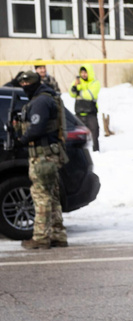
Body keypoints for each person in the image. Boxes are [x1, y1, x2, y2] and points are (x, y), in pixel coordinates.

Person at [12, 70, 67, 250]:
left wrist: (21, 140)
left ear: (35, 84)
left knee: (41, 196)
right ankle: (58, 235)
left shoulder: (41, 101)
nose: (25, 87)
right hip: (49, 155)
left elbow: (37, 128)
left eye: (28, 84)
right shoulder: (44, 98)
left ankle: (41, 237)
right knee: (52, 197)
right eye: (23, 85)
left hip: (42, 156)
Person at [69, 64, 100, 152]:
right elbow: (72, 93)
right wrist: (75, 86)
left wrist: (79, 91)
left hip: (91, 114)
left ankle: (96, 151)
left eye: (85, 72)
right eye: (82, 72)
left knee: (94, 135)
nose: (83, 74)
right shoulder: (77, 82)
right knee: (78, 137)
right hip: (79, 114)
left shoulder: (95, 83)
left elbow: (90, 95)